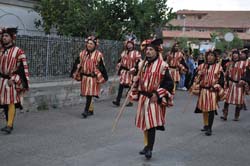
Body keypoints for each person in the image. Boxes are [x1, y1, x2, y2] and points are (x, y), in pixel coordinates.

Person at [129, 38, 174, 159]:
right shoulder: (141, 64)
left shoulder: (163, 65)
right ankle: (146, 145)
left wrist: (157, 94)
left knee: (151, 124)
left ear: (157, 51)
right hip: (143, 98)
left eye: (151, 49)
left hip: (153, 98)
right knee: (145, 123)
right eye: (147, 49)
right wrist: (134, 78)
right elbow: (138, 79)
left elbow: (169, 84)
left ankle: (150, 149)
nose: (148, 52)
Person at [0, 27, 30, 134]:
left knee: (11, 102)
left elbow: (22, 68)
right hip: (1, 80)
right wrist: (2, 30)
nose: (4, 37)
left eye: (6, 36)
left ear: (12, 38)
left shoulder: (18, 51)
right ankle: (8, 123)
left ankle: (9, 125)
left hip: (10, 81)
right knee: (4, 103)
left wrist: (13, 79)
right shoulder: (1, 50)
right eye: (3, 36)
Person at [72, 36, 108, 118]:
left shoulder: (98, 55)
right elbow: (77, 63)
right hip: (85, 77)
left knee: (89, 94)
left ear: (95, 45)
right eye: (88, 43)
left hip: (93, 77)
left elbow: (102, 66)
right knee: (87, 93)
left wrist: (101, 74)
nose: (89, 45)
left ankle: (86, 110)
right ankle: (91, 110)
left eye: (91, 44)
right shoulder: (82, 53)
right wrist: (76, 67)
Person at [190, 50, 224, 136]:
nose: (210, 57)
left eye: (212, 55)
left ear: (215, 57)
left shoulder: (218, 67)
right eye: (208, 55)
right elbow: (195, 78)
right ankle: (205, 124)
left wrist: (215, 87)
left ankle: (210, 128)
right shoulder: (201, 66)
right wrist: (198, 75)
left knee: (211, 109)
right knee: (204, 108)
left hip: (212, 90)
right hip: (203, 90)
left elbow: (221, 80)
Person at [221, 49, 248, 121]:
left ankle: (236, 116)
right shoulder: (229, 64)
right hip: (230, 83)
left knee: (238, 101)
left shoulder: (243, 64)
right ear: (232, 55)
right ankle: (225, 115)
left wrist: (243, 80)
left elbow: (246, 73)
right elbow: (226, 73)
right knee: (226, 100)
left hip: (239, 84)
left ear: (238, 55)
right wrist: (225, 83)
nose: (235, 55)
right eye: (233, 54)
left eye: (236, 54)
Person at [112, 38, 141, 107]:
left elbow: (139, 62)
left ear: (133, 45)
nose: (129, 45)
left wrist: (135, 69)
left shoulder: (136, 53)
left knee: (131, 87)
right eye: (128, 44)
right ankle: (117, 101)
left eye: (130, 44)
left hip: (131, 72)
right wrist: (119, 65)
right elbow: (120, 61)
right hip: (124, 72)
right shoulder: (124, 52)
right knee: (121, 86)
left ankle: (130, 101)